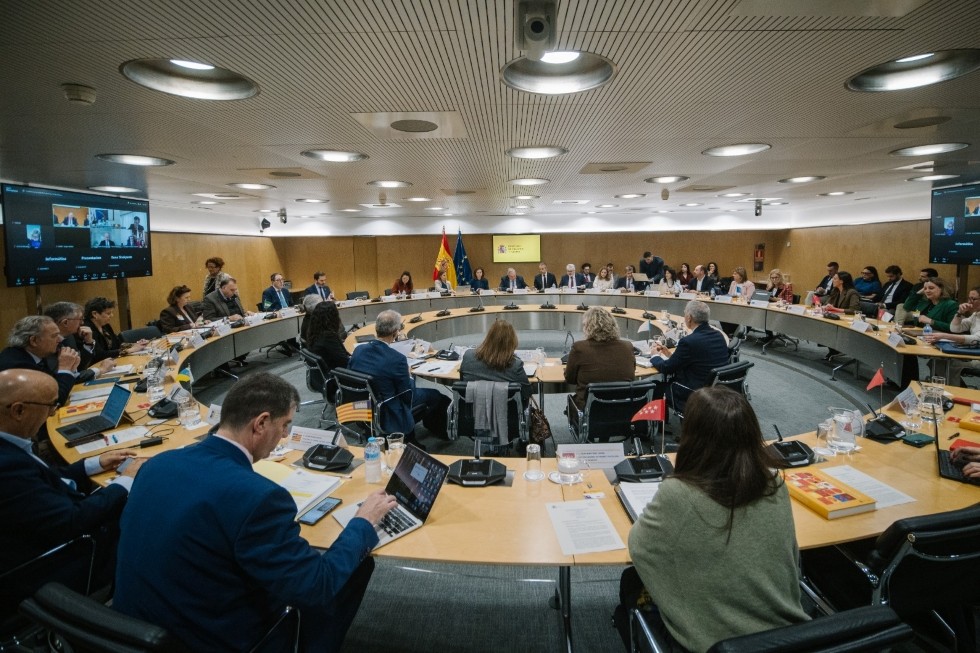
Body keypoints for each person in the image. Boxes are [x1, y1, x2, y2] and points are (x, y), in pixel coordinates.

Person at [113, 373, 394, 652]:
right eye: (285, 425)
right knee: (354, 564)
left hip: (128, 631)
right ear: (260, 423)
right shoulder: (259, 498)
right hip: (209, 640)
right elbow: (317, 585)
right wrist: (363, 520)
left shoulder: (157, 464)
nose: (285, 435)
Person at [627, 386, 809, 652]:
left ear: (692, 437)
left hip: (712, 643)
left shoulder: (679, 493)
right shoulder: (774, 483)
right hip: (789, 638)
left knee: (630, 582)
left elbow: (640, 548)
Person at [0, 369, 142, 582]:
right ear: (19, 410)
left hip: (59, 525)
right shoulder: (6, 467)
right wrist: (126, 480)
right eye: (51, 405)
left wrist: (93, 464)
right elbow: (73, 520)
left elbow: (44, 479)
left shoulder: (11, 444)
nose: (52, 414)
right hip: (67, 559)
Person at [348, 310, 449, 447]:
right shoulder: (397, 359)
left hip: (364, 404)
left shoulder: (359, 350)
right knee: (437, 396)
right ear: (396, 332)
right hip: (389, 407)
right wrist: (409, 375)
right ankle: (434, 433)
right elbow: (408, 394)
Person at [651, 300, 729, 412]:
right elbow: (699, 358)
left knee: (658, 386)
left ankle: (657, 423)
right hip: (716, 391)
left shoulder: (688, 342)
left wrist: (654, 356)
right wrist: (670, 355)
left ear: (689, 318)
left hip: (694, 393)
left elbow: (667, 368)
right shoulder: (718, 335)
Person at [564, 307, 635, 411]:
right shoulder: (628, 346)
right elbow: (631, 376)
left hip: (589, 409)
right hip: (622, 408)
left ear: (588, 327)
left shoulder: (579, 348)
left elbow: (569, 379)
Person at [0, 316, 79, 407]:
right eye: (54, 336)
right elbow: (53, 401)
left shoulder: (36, 354)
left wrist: (70, 368)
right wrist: (65, 368)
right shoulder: (17, 366)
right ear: (34, 341)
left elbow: (52, 384)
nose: (60, 339)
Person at [459, 321, 532, 403]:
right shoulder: (515, 365)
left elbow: (462, 382)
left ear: (488, 337)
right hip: (508, 410)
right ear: (512, 341)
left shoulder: (468, 356)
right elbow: (527, 393)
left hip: (471, 409)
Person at [43, 302, 114, 381]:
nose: (82, 323)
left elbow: (79, 368)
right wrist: (100, 370)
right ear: (65, 322)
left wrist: (88, 343)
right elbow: (67, 377)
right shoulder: (45, 345)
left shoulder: (69, 337)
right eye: (80, 319)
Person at [924, 287, 980, 385]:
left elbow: (976, 339)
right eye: (969, 298)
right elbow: (955, 328)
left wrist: (944, 336)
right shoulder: (976, 315)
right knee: (937, 362)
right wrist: (959, 313)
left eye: (973, 299)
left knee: (946, 364)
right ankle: (958, 389)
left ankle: (956, 391)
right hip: (974, 353)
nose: (969, 302)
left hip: (977, 358)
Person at [83, 296, 139, 362]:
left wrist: (136, 344)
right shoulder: (87, 329)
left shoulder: (105, 325)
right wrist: (129, 350)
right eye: (108, 313)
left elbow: (118, 344)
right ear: (95, 314)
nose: (112, 315)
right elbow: (99, 355)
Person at [307, 302, 351, 371]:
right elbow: (344, 361)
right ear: (332, 317)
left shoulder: (315, 331)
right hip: (336, 371)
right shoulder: (328, 336)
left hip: (324, 369)